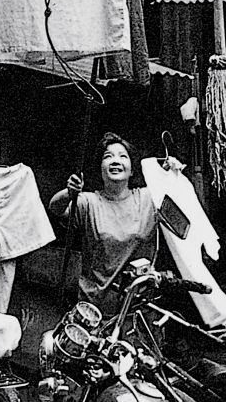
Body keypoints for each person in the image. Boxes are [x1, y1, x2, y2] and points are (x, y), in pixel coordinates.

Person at [48, 133, 160, 318]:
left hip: (138, 307)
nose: (115, 161)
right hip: (94, 307)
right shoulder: (89, 202)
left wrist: (171, 172)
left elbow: (178, 195)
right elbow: (56, 208)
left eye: (123, 156)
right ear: (100, 169)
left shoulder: (149, 198)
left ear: (132, 170)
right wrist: (69, 193)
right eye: (108, 156)